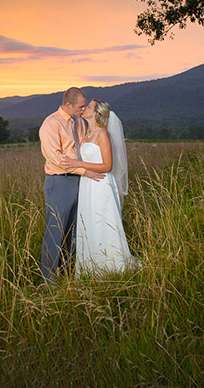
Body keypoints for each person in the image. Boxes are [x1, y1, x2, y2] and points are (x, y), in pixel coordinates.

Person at [60, 99, 140, 276]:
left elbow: (107, 165)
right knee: (89, 222)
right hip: (87, 184)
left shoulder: (102, 134)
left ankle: (112, 265)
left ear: (96, 113)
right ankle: (91, 266)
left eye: (88, 106)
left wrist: (78, 163)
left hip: (101, 184)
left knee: (102, 221)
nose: (85, 108)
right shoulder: (87, 134)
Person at [38, 87, 105, 283]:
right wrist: (85, 171)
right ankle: (48, 280)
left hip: (81, 181)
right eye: (80, 106)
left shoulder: (79, 122)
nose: (83, 109)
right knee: (55, 230)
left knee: (74, 230)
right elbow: (57, 159)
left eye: (85, 106)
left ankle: (67, 274)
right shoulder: (51, 124)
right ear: (68, 105)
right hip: (60, 181)